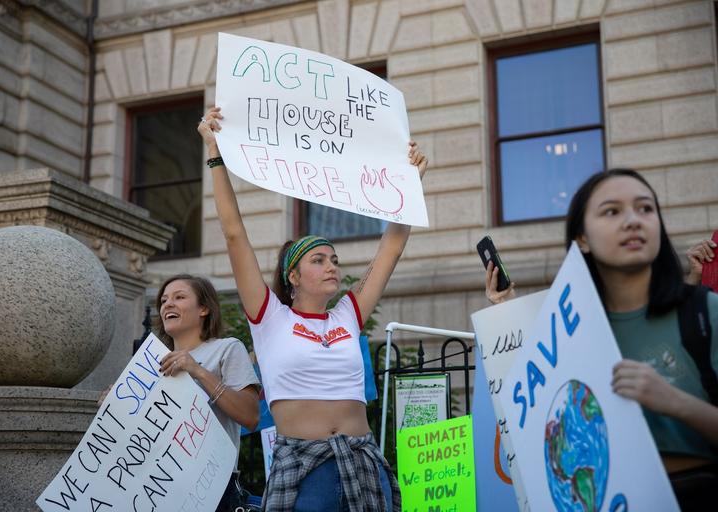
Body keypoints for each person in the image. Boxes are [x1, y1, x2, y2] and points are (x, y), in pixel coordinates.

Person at [198, 106, 427, 511]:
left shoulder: (347, 315)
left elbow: (391, 247)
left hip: (363, 462)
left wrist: (409, 184)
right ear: (294, 276)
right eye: (318, 260)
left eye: (334, 259)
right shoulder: (269, 317)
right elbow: (234, 234)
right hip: (305, 472)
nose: (331, 266)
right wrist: (216, 155)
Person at [484, 169, 718, 510]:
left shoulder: (704, 314)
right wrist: (505, 311)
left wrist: (672, 401)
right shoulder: (563, 332)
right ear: (582, 238)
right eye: (612, 211)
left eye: (645, 208)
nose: (633, 220)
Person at [101, 274, 260, 512]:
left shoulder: (226, 349)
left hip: (209, 491)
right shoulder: (149, 366)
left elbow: (250, 415)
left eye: (179, 297)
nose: (168, 304)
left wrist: (197, 370)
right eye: (164, 300)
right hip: (154, 491)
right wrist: (113, 407)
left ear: (204, 308)